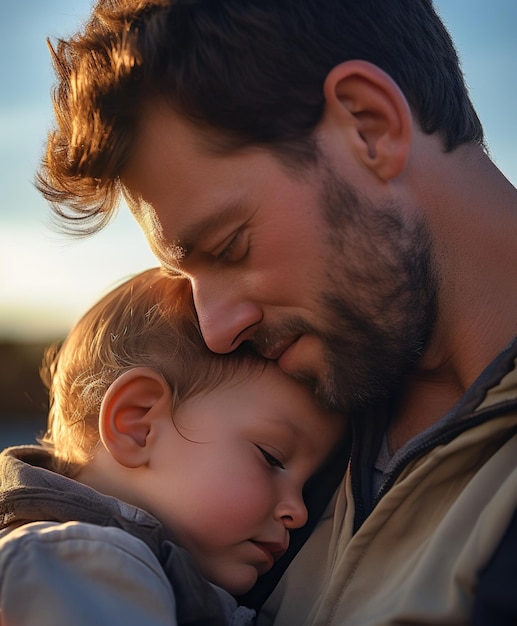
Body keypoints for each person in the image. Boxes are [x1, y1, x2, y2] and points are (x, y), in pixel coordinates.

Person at [36, 0, 517, 624]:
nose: (215, 328)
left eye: (230, 246)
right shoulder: (267, 412)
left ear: (369, 125)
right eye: (187, 275)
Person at [0, 268, 344, 626]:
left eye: (308, 485)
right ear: (138, 425)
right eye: (271, 457)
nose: (299, 512)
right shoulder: (81, 566)